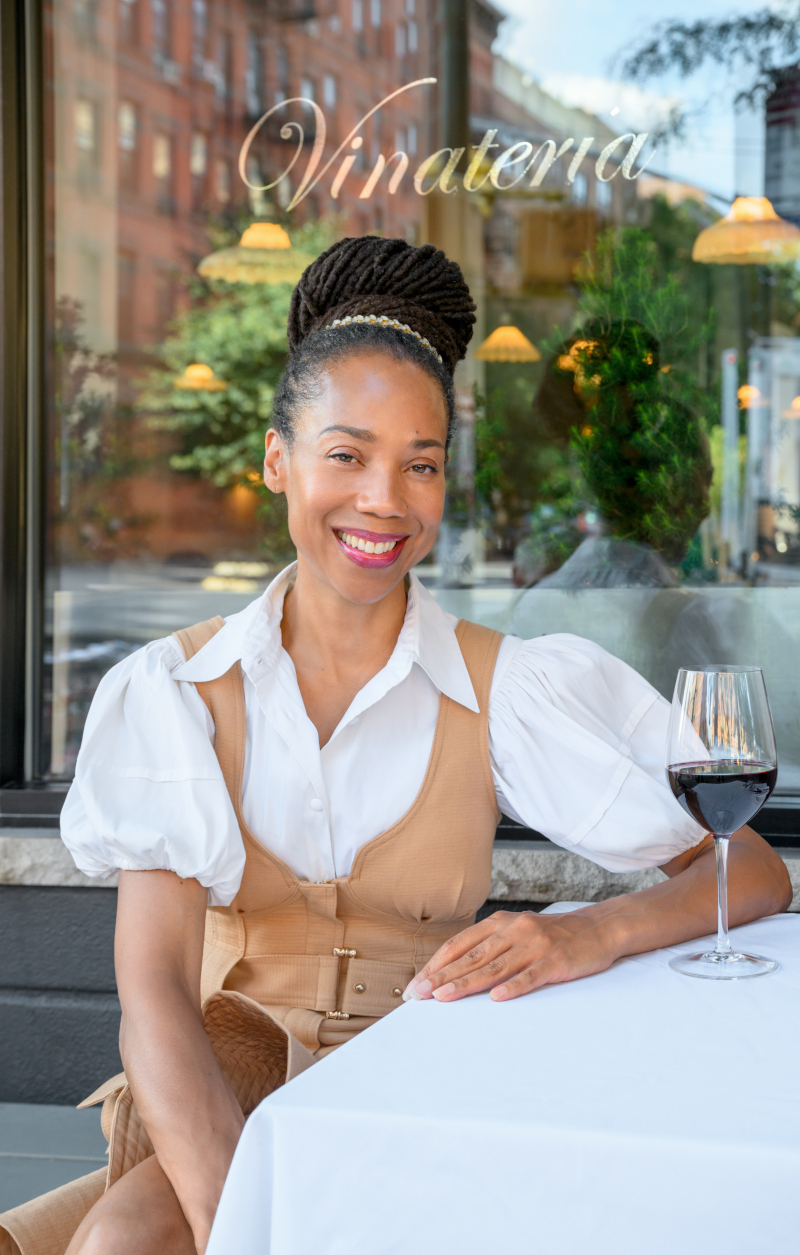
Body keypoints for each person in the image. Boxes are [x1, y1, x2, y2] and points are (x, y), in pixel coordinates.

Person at [1, 237, 789, 1255]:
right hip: (224, 1086)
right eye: (346, 453)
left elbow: (748, 870)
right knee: (117, 1243)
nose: (383, 498)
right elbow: (152, 990)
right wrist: (243, 1222)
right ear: (277, 458)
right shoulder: (172, 692)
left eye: (417, 465)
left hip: (431, 1088)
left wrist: (581, 933)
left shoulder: (510, 687)